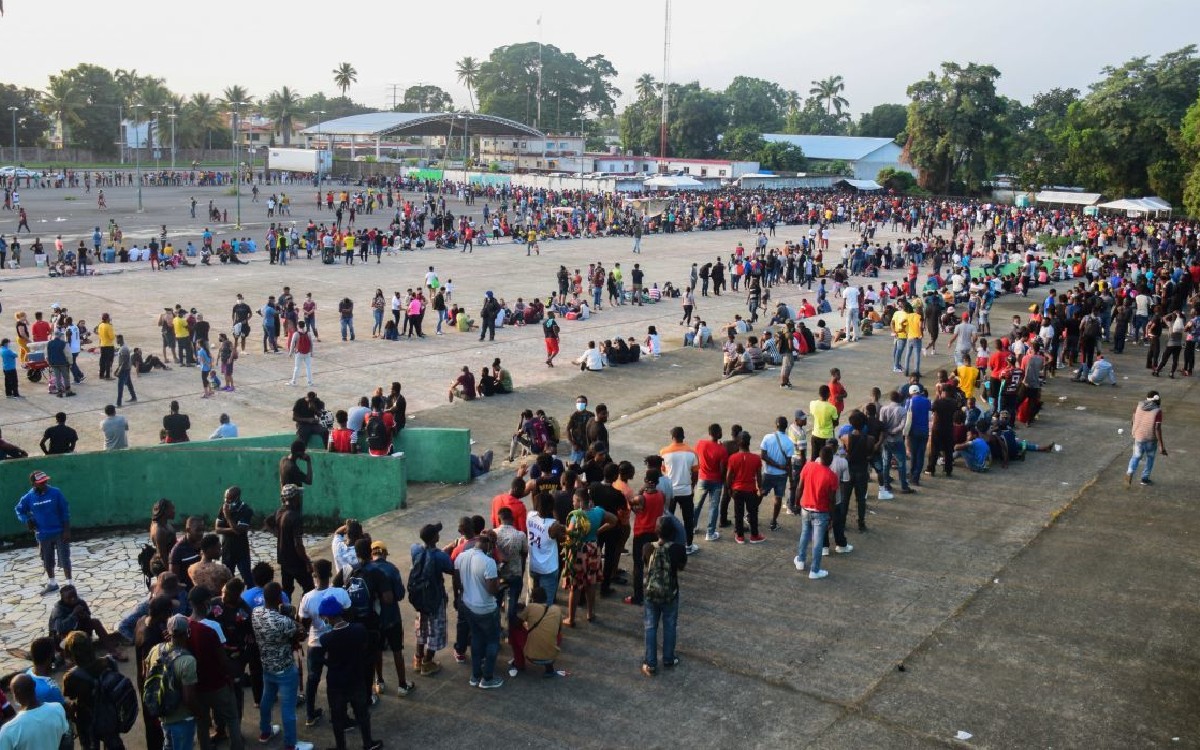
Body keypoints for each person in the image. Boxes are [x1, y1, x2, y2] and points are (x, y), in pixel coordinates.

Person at [317, 599, 382, 750]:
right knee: (362, 714)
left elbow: (322, 658)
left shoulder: (326, 639)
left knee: (337, 718)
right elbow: (365, 646)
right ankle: (368, 743)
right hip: (356, 679)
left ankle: (341, 747)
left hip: (336, 684)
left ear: (328, 617)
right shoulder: (358, 629)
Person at [251, 582, 306, 749]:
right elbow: (300, 634)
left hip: (266, 665)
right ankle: (291, 744)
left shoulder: (255, 612)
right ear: (279, 598)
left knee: (266, 699)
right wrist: (294, 619)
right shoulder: (283, 621)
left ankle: (265, 731)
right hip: (285, 668)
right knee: (288, 708)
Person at [297, 559, 351, 728]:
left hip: (316, 644)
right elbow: (349, 616)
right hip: (337, 643)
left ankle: (310, 714)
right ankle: (340, 717)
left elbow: (304, 626)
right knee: (337, 681)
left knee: (312, 679)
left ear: (314, 574)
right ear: (330, 574)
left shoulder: (307, 598)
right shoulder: (340, 593)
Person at [454, 530, 504, 689]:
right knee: (492, 641)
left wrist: (458, 597)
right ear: (488, 546)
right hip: (486, 608)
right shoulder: (488, 562)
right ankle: (487, 678)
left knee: (476, 639)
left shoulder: (462, 556)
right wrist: (500, 583)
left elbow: (456, 580)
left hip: (468, 605)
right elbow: (492, 590)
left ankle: (475, 676)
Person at [61, 630, 125, 750]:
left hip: (86, 718)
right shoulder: (109, 662)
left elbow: (70, 695)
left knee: (89, 746)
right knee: (113, 743)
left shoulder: (71, 677)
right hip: (109, 712)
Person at [144, 615, 200, 750]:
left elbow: (147, 678)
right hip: (182, 718)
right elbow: (188, 698)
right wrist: (199, 713)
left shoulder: (155, 649)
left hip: (162, 715)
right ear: (187, 633)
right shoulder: (188, 661)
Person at [641, 516, 686, 677]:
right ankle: (668, 658)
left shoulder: (647, 547)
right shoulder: (678, 549)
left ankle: (650, 663)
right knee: (670, 625)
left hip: (651, 593)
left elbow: (647, 565)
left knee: (650, 627)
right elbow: (681, 567)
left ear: (656, 531)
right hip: (670, 593)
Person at [15, 471, 72, 594]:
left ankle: (69, 584)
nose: (44, 483)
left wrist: (66, 530)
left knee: (64, 557)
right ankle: (52, 583)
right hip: (42, 534)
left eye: (45, 481)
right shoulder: (28, 497)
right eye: (41, 482)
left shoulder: (56, 492)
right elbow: (19, 510)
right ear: (34, 483)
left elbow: (65, 511)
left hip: (59, 531)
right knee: (47, 559)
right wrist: (26, 520)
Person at [410, 523, 455, 677]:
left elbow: (427, 553)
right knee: (435, 631)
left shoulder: (416, 550)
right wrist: (450, 551)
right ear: (435, 538)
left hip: (420, 598)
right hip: (435, 599)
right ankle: (427, 663)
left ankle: (418, 658)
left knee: (421, 629)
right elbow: (451, 568)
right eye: (436, 533)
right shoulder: (440, 557)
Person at [795, 444, 837, 580]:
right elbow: (831, 500)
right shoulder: (832, 476)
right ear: (830, 460)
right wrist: (832, 517)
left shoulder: (808, 466)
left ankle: (800, 561)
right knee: (817, 541)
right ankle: (814, 570)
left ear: (819, 456)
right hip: (821, 511)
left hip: (805, 508)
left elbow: (799, 487)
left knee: (805, 534)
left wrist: (796, 503)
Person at [0, 674, 69, 750]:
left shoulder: (8, 730)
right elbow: (64, 735)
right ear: (34, 686)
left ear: (15, 694)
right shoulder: (57, 708)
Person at [274, 484, 314, 600]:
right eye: (298, 495)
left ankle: (286, 612)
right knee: (309, 588)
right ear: (294, 498)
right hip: (295, 560)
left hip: (283, 559)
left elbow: (268, 522)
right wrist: (307, 561)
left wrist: (279, 534)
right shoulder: (295, 517)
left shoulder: (280, 512)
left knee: (286, 590)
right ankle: (303, 613)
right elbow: (298, 544)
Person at [1127, 390, 1167, 486]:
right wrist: (1162, 446)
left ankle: (1129, 473)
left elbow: (1133, 419)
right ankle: (1144, 478)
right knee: (1150, 458)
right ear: (1157, 398)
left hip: (1139, 437)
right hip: (1150, 439)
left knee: (1136, 456)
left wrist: (1135, 430)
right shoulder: (1157, 411)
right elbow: (1157, 428)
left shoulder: (1139, 405)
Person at [215, 487, 253, 584]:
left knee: (248, 578)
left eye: (229, 499)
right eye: (225, 498)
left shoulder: (246, 510)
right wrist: (234, 529)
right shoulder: (223, 507)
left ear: (237, 498)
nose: (227, 501)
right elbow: (217, 529)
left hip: (241, 550)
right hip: (227, 550)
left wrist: (228, 517)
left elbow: (239, 531)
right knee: (227, 580)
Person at [288, 321, 315, 387]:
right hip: (307, 352)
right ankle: (310, 382)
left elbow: (292, 344)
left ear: (298, 326)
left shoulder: (296, 334)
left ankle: (293, 381)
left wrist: (290, 352)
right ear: (304, 325)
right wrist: (312, 352)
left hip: (299, 353)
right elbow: (311, 343)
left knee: (297, 367)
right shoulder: (308, 333)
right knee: (308, 367)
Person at [114, 335, 136, 407]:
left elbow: (125, 361)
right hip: (126, 368)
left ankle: (118, 403)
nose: (116, 341)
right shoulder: (122, 347)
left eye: (117, 340)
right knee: (129, 383)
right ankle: (134, 397)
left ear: (120, 340)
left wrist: (119, 370)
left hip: (124, 369)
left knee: (120, 386)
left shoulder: (124, 349)